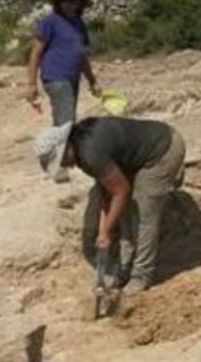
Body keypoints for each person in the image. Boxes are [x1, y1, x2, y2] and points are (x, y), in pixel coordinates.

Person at [34, 117, 186, 294]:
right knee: (127, 211)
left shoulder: (90, 152)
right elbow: (106, 190)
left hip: (162, 151)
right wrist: (104, 227)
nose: (64, 165)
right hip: (140, 157)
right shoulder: (83, 149)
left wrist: (106, 232)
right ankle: (125, 267)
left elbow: (121, 191)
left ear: (66, 146)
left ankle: (142, 274)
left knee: (145, 212)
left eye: (60, 160)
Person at [26, 0, 102, 129]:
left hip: (73, 78)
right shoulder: (50, 22)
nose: (69, 4)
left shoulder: (79, 24)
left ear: (79, 4)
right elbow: (35, 53)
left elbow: (82, 56)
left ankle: (62, 149)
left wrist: (92, 81)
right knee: (66, 122)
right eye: (65, 0)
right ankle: (62, 150)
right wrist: (31, 85)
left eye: (73, 1)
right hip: (55, 77)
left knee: (66, 119)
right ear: (59, 3)